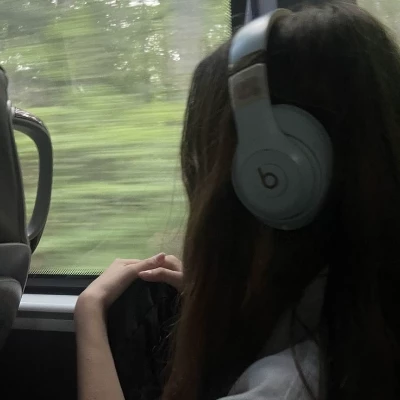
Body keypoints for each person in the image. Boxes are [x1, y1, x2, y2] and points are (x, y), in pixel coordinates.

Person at [74, 2, 400, 400]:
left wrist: (90, 313)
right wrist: (230, 300)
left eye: (207, 164)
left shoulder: (285, 387)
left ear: (271, 180)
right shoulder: (360, 320)